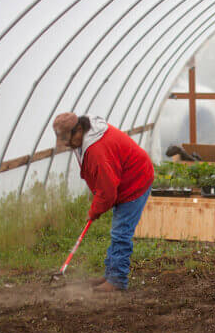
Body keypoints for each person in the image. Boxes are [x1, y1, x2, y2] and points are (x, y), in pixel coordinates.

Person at [52, 113, 154, 292]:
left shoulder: (97, 150)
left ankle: (117, 280)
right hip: (124, 179)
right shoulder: (86, 136)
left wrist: (94, 211)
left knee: (121, 232)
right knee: (118, 230)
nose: (67, 145)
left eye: (68, 140)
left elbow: (107, 192)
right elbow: (104, 183)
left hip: (135, 181)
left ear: (79, 130)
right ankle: (110, 274)